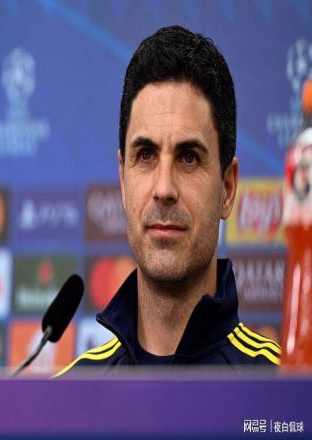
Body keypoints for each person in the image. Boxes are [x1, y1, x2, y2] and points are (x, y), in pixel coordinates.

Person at [55, 25, 280, 376]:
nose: (164, 188)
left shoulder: (286, 388)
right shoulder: (67, 394)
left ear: (227, 188)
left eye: (189, 157)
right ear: (123, 181)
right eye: (145, 155)